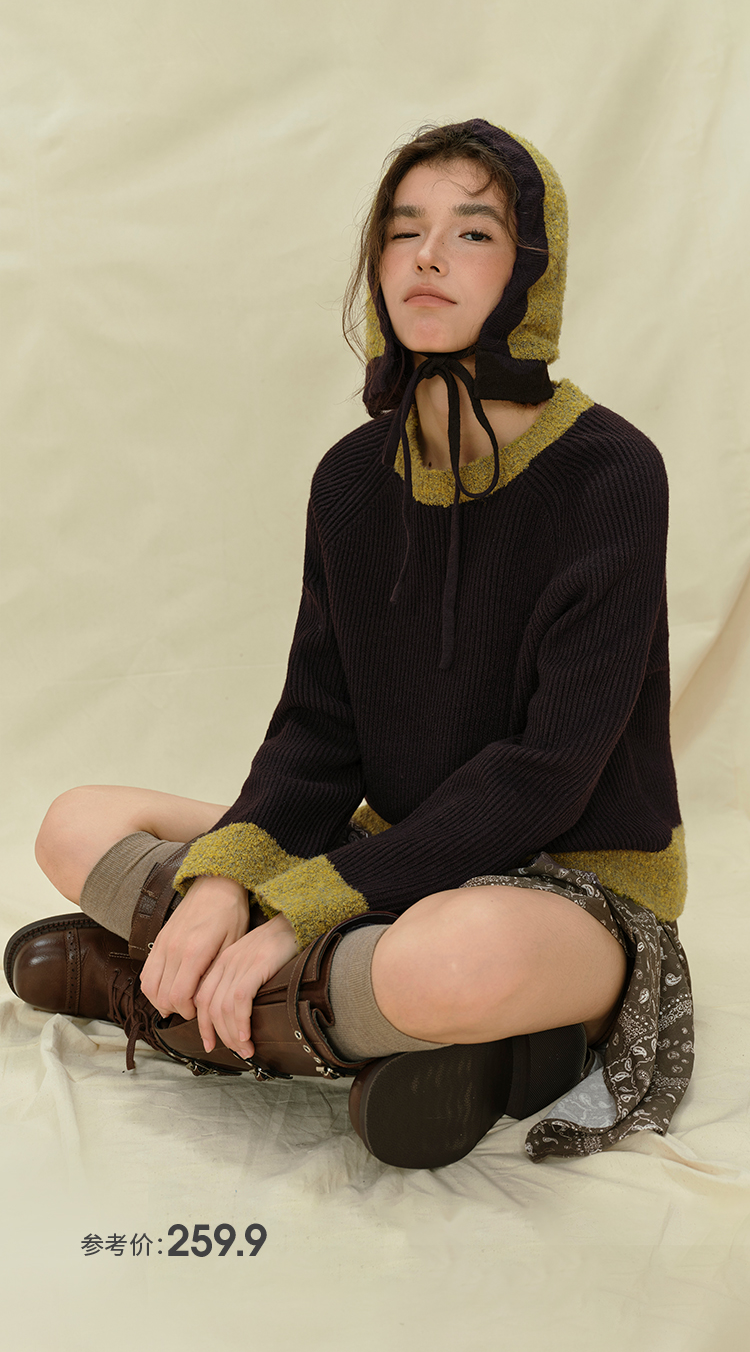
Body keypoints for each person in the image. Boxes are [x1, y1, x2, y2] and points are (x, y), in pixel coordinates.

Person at [4, 119, 693, 1169]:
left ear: (530, 270)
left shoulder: (613, 474)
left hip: (567, 879)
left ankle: (173, 998)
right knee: (75, 823)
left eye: (472, 232)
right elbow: (317, 733)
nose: (427, 256)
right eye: (403, 230)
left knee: (450, 960)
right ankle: (359, 1022)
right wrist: (229, 885)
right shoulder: (351, 479)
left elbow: (546, 776)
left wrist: (293, 914)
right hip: (397, 848)